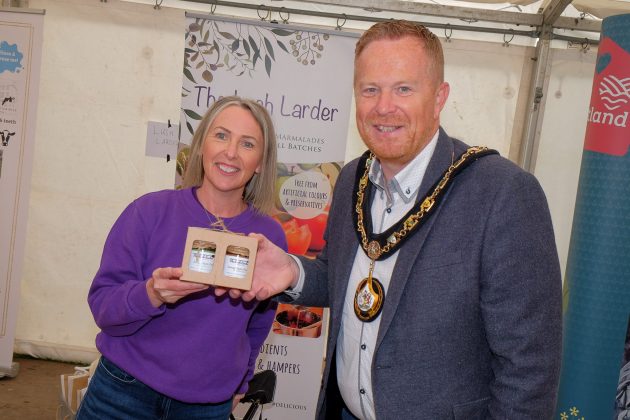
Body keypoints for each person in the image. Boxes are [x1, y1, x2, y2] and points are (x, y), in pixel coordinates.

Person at [219, 20, 562, 419]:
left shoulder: (501, 193)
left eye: (403, 88)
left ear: (438, 98)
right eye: (370, 89)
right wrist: (294, 273)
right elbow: (346, 280)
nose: (384, 106)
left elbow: (530, 368)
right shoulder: (352, 178)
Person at [78, 96, 288, 420]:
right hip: (122, 392)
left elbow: (258, 323)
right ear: (202, 143)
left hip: (205, 406)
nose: (230, 152)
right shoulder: (148, 212)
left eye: (247, 143)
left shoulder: (268, 239)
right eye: (221, 135)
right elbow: (103, 306)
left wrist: (241, 382)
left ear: (261, 161)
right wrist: (151, 293)